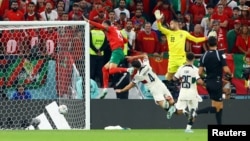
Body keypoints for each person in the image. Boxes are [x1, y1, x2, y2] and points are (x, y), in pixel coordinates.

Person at [154, 10, 207, 85]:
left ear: (176, 23)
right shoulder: (169, 33)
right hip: (172, 59)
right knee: (168, 78)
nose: (170, 24)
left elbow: (195, 39)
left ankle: (201, 80)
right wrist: (158, 20)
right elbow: (160, 28)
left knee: (189, 72)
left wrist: (206, 38)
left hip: (181, 58)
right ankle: (169, 89)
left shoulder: (184, 33)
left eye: (171, 23)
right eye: (169, 23)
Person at [83, 16, 131, 99]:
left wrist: (88, 21)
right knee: (104, 69)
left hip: (117, 51)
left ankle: (128, 69)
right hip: (118, 52)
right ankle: (105, 89)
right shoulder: (117, 31)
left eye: (104, 26)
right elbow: (126, 41)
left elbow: (100, 26)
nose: (103, 28)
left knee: (112, 70)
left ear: (107, 25)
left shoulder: (111, 28)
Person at [115, 53, 176, 118]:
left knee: (161, 103)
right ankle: (172, 105)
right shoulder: (146, 65)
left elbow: (129, 86)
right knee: (170, 99)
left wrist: (121, 90)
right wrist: (133, 57)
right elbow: (145, 55)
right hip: (160, 84)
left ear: (135, 67)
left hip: (154, 88)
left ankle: (167, 106)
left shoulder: (138, 76)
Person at [197, 36, 232, 125]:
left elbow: (200, 72)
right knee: (217, 108)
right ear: (216, 43)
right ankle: (195, 112)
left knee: (219, 106)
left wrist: (206, 77)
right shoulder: (219, 53)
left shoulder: (204, 55)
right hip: (216, 83)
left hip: (208, 83)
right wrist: (230, 74)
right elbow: (226, 69)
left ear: (208, 44)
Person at [171, 52, 204, 133]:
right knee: (193, 112)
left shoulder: (181, 68)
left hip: (183, 92)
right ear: (194, 59)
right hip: (192, 93)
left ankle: (184, 111)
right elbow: (199, 81)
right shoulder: (195, 70)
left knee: (178, 110)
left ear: (186, 58)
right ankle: (188, 128)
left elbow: (174, 78)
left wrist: (180, 78)